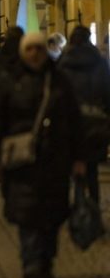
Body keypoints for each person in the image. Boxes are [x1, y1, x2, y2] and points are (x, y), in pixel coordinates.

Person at [0, 32, 85, 278]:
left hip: (56, 158)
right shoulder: (10, 79)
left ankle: (46, 262)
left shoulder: (59, 80)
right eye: (30, 49)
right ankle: (31, 262)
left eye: (39, 49)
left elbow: (74, 121)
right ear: (22, 51)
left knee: (53, 214)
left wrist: (79, 157)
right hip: (22, 160)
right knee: (27, 212)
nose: (34, 54)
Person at [58, 25, 110, 204]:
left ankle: (80, 206)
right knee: (92, 169)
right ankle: (94, 206)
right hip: (95, 121)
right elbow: (107, 92)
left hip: (70, 123)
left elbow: (57, 94)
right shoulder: (100, 61)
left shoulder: (63, 61)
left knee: (75, 167)